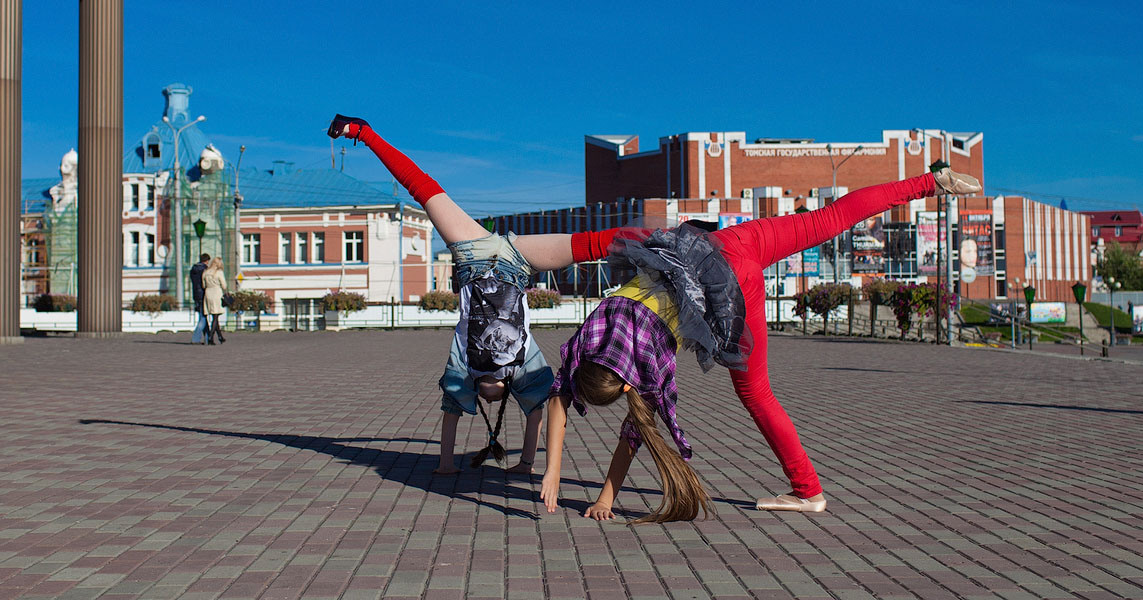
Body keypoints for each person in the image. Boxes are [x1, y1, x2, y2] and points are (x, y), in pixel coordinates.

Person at [539, 167, 982, 523]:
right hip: (725, 244)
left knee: (755, 391)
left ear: (626, 386)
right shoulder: (592, 334)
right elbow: (563, 386)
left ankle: (809, 490)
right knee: (826, 220)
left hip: (731, 288)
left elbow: (632, 425)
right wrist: (554, 471)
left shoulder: (648, 364)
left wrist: (605, 497)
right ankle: (931, 181)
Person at [328, 114, 625, 474]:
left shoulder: (485, 361)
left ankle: (698, 240)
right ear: (499, 385)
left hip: (499, 258)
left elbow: (528, 408)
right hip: (486, 255)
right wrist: (465, 464)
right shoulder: (479, 362)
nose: (488, 378)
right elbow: (526, 409)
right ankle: (362, 131)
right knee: (421, 188)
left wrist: (451, 465)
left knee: (596, 244)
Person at [202, 256, 227, 345]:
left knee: (214, 317)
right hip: (216, 293)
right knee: (215, 317)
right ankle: (210, 337)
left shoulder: (206, 272)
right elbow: (224, 285)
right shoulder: (219, 272)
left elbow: (203, 285)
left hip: (208, 293)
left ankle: (220, 337)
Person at [189, 253, 210, 345]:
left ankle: (208, 337)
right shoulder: (205, 270)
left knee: (202, 315)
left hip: (195, 294)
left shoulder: (193, 269)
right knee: (203, 317)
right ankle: (196, 338)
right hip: (203, 294)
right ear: (207, 260)